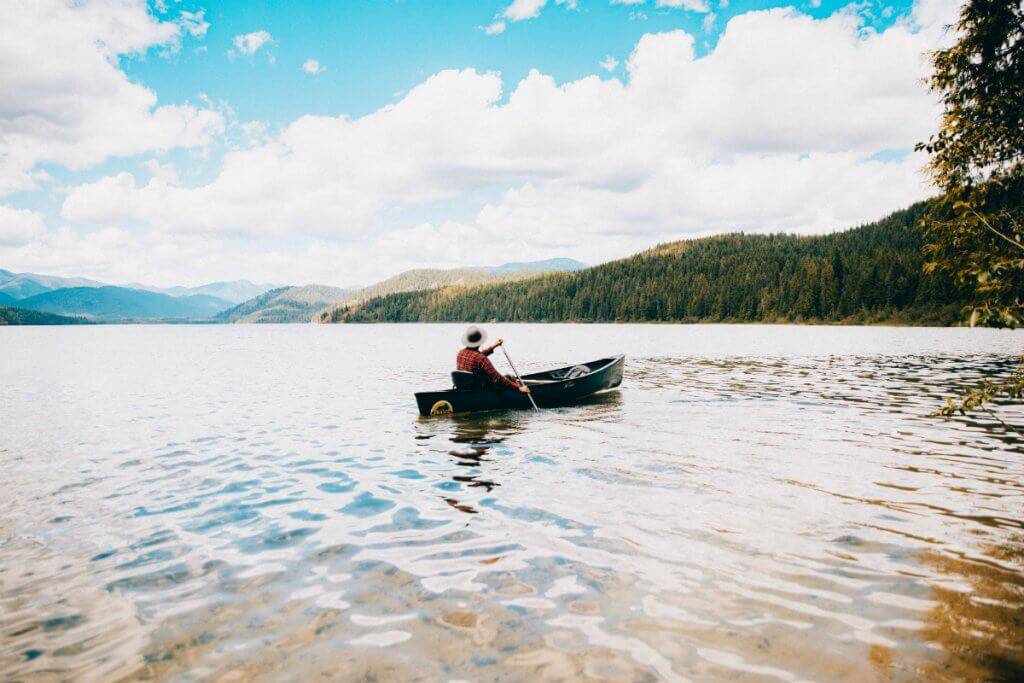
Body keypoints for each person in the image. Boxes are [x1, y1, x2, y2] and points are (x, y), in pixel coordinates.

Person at [457, 326, 531, 394]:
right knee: (509, 377)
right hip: (482, 389)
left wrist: (494, 346)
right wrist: (518, 388)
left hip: (467, 387)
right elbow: (497, 378)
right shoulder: (481, 359)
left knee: (507, 379)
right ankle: (522, 391)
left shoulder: (460, 353)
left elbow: (477, 357)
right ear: (479, 343)